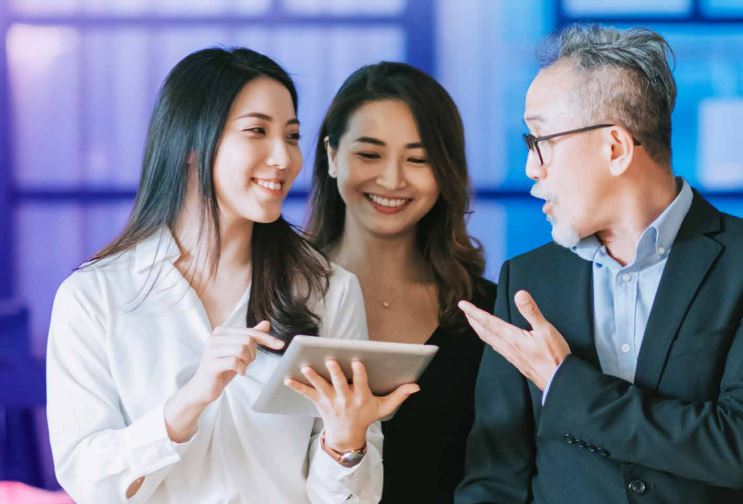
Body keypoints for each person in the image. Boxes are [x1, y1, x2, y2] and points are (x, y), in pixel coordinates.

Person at [46, 47, 419, 504]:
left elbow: (355, 498)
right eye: (257, 131)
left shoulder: (328, 289)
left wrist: (345, 444)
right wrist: (190, 400)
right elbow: (88, 481)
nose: (283, 158)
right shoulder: (95, 296)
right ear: (189, 145)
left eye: (293, 134)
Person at [454, 24, 743, 504]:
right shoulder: (527, 282)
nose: (531, 168)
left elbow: (734, 444)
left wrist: (566, 386)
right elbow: (495, 479)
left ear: (615, 147)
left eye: (541, 140)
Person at [307, 62, 497, 503]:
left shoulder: (487, 315)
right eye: (369, 154)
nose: (392, 179)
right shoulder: (275, 298)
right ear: (332, 155)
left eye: (419, 159)